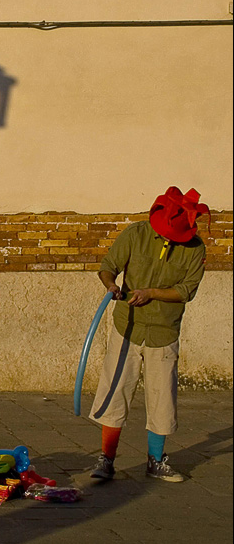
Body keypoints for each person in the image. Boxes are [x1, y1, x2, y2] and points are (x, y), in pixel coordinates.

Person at [89, 186, 210, 483]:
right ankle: (106, 459)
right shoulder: (136, 234)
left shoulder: (196, 249)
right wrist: (111, 285)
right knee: (115, 391)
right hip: (127, 326)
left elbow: (186, 291)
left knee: (161, 397)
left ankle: (156, 460)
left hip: (164, 331)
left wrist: (152, 293)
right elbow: (108, 267)